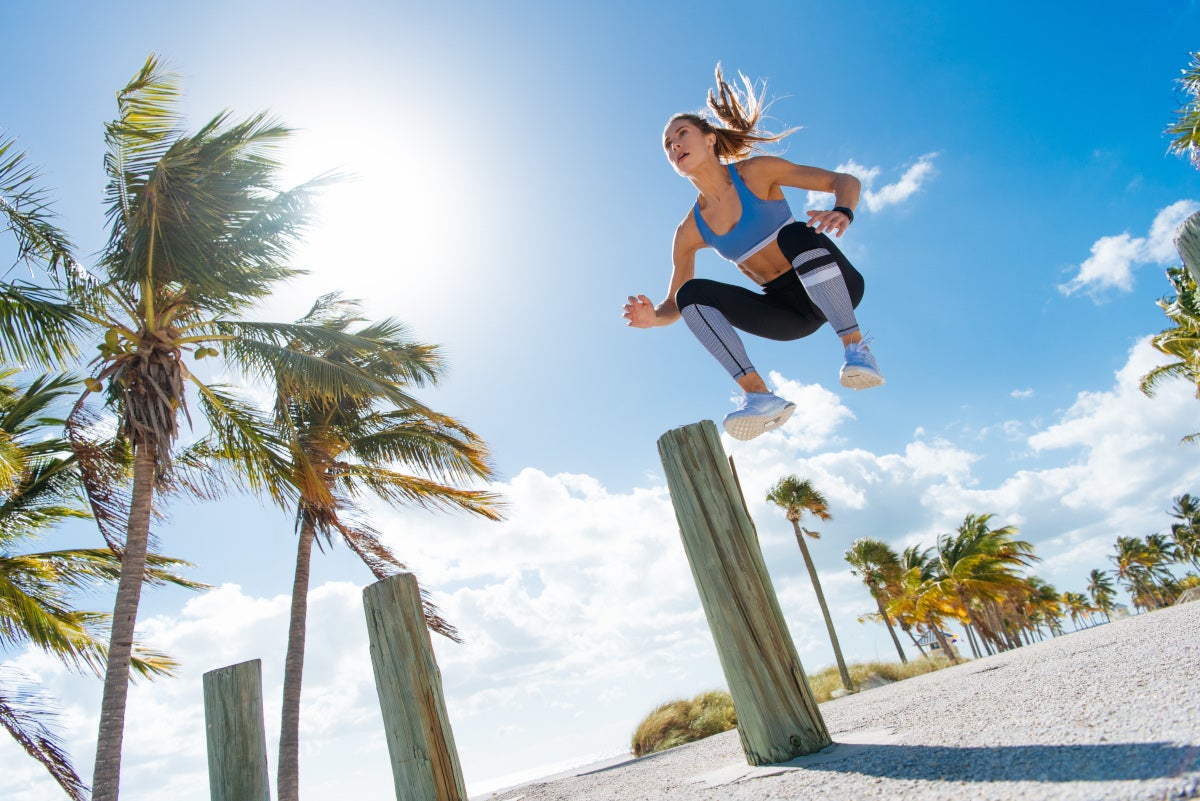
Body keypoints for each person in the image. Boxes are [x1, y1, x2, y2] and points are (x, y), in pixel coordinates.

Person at [623, 67, 884, 441]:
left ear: (710, 139)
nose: (675, 145)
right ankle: (758, 395)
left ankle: (856, 350)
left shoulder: (756, 173)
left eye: (682, 134)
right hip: (788, 315)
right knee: (691, 294)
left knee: (793, 233)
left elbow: (843, 181)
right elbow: (674, 305)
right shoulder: (690, 230)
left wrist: (842, 209)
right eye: (668, 144)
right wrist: (653, 318)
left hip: (834, 285)